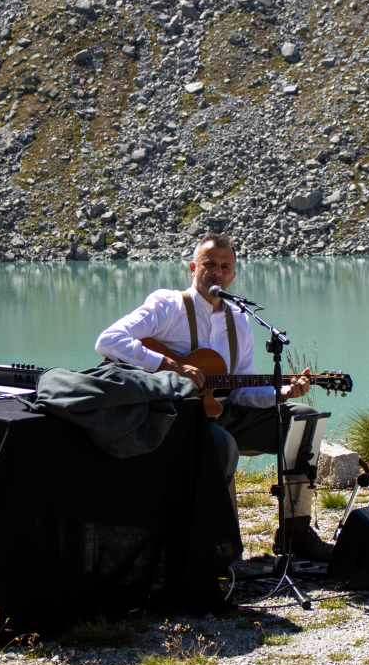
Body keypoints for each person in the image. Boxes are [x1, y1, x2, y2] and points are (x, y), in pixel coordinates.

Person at [94, 232, 335, 561]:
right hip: (176, 418)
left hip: (225, 413)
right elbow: (108, 341)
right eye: (209, 264)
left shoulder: (240, 321)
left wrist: (281, 393)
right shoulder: (168, 306)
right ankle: (215, 550)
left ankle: (296, 535)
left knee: (304, 419)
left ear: (233, 275)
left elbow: (242, 388)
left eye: (224, 266)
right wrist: (170, 365)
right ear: (193, 268)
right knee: (221, 444)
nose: (216, 272)